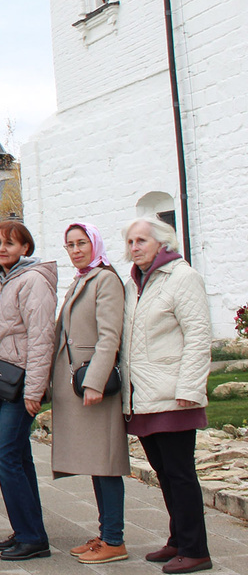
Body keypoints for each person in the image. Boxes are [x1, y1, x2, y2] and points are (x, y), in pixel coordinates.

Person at [121, 217, 212, 574]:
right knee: (164, 472)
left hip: (174, 395)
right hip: (144, 396)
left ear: (162, 243)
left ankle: (195, 550)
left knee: (180, 473)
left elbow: (198, 335)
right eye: (131, 241)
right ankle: (178, 540)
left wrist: (189, 388)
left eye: (142, 240)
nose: (135, 247)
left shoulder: (182, 277)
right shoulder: (134, 283)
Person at [52, 224, 129, 564]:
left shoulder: (105, 280)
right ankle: (105, 534)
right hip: (78, 384)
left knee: (106, 463)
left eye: (81, 243)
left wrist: (96, 381)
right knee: (97, 463)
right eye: (70, 245)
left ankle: (114, 540)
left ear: (94, 243)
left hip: (95, 385)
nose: (75, 250)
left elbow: (110, 335)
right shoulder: (83, 279)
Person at [0, 220, 56, 561]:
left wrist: (34, 391)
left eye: (9, 243)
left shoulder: (33, 281)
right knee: (20, 459)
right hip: (2, 382)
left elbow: (41, 339)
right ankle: (29, 531)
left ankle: (31, 537)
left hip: (21, 383)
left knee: (5, 457)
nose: (1, 248)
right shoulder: (4, 280)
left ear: (26, 248)